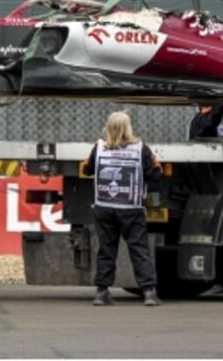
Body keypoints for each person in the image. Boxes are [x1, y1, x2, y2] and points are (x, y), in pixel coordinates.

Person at [81, 111, 163, 307]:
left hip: (104, 206)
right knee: (139, 249)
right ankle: (149, 292)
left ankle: (101, 293)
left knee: (106, 250)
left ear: (108, 128)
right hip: (130, 208)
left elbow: (87, 169)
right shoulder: (140, 148)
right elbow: (154, 174)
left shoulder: (99, 147)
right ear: (128, 128)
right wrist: (157, 166)